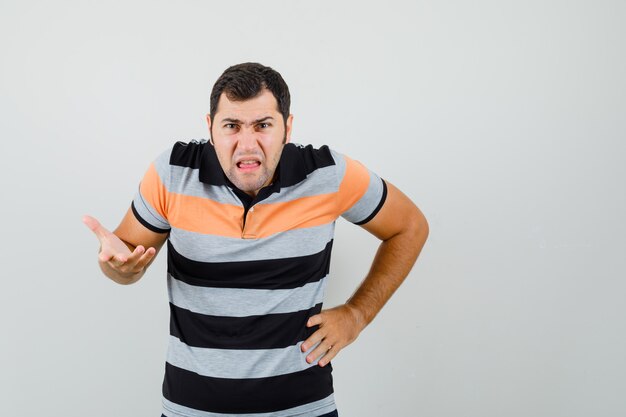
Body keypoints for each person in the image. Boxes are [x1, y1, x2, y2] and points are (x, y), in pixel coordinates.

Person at [83, 62, 429, 417]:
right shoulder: (172, 174)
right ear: (210, 128)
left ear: (287, 128)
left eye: (263, 125)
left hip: (303, 408)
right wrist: (120, 269)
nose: (247, 145)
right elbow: (125, 264)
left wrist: (357, 314)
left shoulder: (329, 175)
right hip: (191, 408)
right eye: (231, 126)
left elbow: (410, 226)